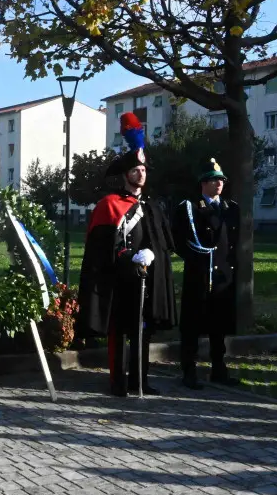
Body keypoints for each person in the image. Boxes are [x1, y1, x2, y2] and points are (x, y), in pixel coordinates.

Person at [78, 112, 175, 398]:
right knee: (118, 332)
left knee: (142, 332)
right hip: (119, 279)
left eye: (144, 170)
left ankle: (140, 380)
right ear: (125, 175)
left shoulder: (153, 206)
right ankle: (118, 381)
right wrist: (129, 256)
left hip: (146, 281)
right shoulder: (109, 205)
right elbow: (102, 247)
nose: (141, 174)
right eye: (135, 170)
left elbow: (163, 244)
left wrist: (152, 256)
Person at [171, 158, 239, 389]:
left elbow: (233, 241)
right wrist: (196, 260)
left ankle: (219, 369)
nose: (219, 184)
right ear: (203, 183)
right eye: (213, 180)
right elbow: (178, 240)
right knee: (192, 325)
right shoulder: (189, 207)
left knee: (219, 326)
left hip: (222, 277)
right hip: (200, 274)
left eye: (221, 180)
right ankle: (189, 370)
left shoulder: (231, 208)